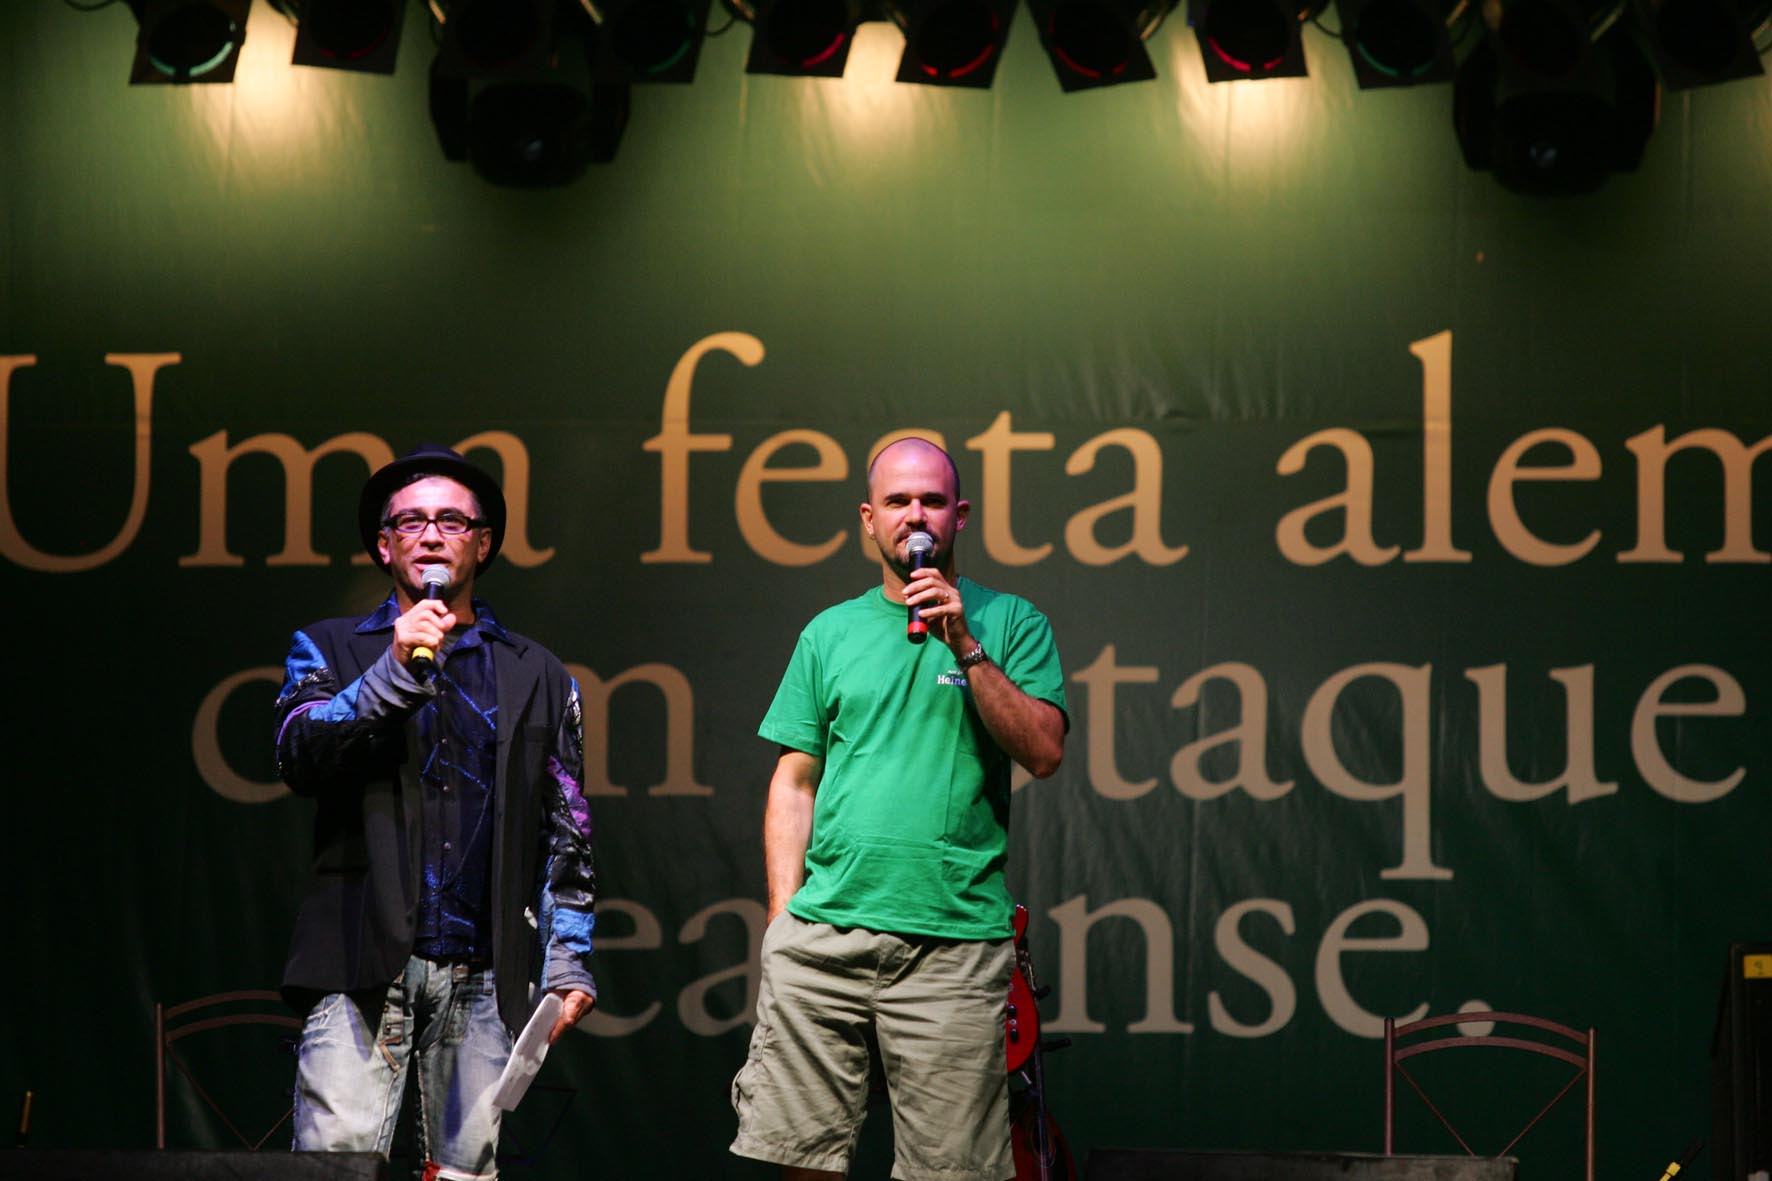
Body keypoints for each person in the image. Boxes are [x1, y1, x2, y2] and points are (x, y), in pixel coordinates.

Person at [730, 436, 1069, 1181]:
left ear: (960, 515)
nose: (915, 515)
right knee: (800, 1158)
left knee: (951, 1172)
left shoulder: (1011, 621)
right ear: (868, 519)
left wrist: (964, 642)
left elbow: (1044, 751)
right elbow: (794, 782)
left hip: (952, 943)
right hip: (824, 939)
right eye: (897, 501)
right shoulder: (830, 632)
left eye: (932, 500)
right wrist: (783, 922)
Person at [275, 444, 597, 1181]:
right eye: (410, 522)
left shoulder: (538, 673)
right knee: (336, 1165)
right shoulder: (328, 647)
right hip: (360, 962)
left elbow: (567, 829)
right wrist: (391, 671)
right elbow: (298, 754)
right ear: (383, 544)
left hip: (484, 973)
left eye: (452, 521)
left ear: (482, 543)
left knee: (465, 1173)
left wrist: (569, 956)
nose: (430, 535)